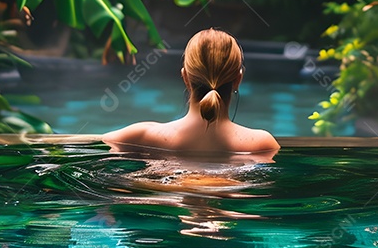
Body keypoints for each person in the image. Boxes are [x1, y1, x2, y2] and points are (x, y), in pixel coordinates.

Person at [102, 28, 280, 156]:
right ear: (238, 79)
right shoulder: (261, 144)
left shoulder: (141, 136)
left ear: (185, 77)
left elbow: (91, 145)